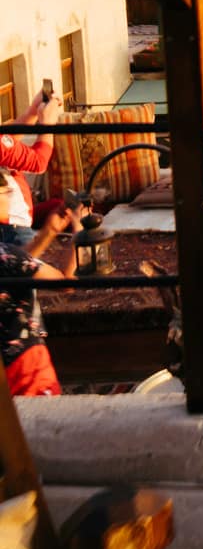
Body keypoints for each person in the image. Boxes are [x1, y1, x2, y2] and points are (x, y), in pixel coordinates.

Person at [0, 203, 84, 396]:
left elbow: (17, 268)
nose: (11, 196)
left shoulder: (7, 256)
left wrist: (49, 232)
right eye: (5, 191)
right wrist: (79, 231)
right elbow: (65, 282)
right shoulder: (6, 254)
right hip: (23, 368)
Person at [0, 87, 63, 248]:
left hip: (13, 224)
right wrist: (47, 124)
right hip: (12, 230)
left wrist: (32, 111)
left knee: (62, 206)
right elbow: (39, 163)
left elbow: (8, 141)